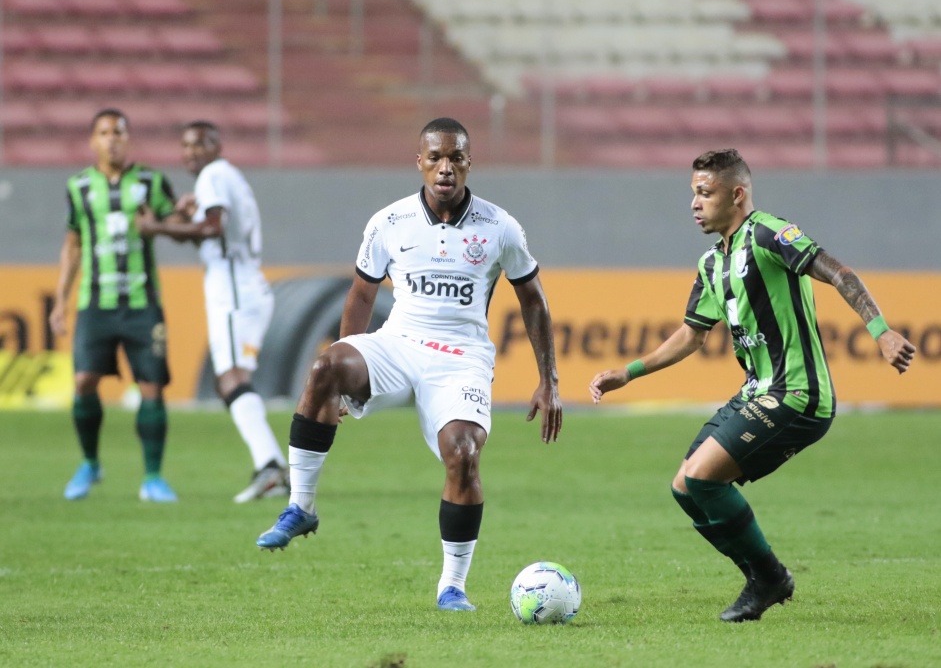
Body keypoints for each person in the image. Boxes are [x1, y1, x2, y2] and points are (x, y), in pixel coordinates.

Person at [588, 148, 916, 623]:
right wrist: (629, 371)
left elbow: (838, 272)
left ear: (737, 194)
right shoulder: (710, 263)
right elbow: (691, 336)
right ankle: (764, 577)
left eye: (705, 193)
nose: (695, 203)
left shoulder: (767, 233)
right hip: (757, 391)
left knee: (703, 478)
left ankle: (768, 578)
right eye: (692, 193)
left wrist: (880, 330)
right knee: (685, 487)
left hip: (798, 394)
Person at [253, 117, 563, 612]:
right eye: (435, 157)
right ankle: (300, 506)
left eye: (455, 158)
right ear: (418, 161)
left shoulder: (500, 226)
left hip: (461, 357)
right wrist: (346, 380)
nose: (445, 168)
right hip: (398, 342)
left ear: (468, 163)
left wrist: (548, 380)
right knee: (322, 369)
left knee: (463, 455)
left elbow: (534, 301)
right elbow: (361, 293)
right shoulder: (389, 222)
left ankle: (452, 586)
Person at [137, 120, 289, 503]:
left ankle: (271, 467)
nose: (190, 152)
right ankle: (270, 466)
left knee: (231, 379)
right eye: (185, 145)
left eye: (199, 143)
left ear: (216, 145)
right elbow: (208, 230)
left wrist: (154, 228)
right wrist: (180, 220)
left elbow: (212, 229)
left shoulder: (214, 175)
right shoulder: (225, 176)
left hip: (234, 287)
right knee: (232, 383)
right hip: (242, 284)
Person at [51, 108, 179, 502]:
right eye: (104, 133)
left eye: (119, 132)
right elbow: (73, 245)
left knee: (151, 387)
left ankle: (153, 477)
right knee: (83, 381)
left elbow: (175, 224)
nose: (112, 139)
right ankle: (90, 463)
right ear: (93, 141)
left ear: (128, 138)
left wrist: (172, 218)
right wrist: (61, 301)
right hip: (95, 303)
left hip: (143, 303)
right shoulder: (79, 187)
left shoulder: (151, 182)